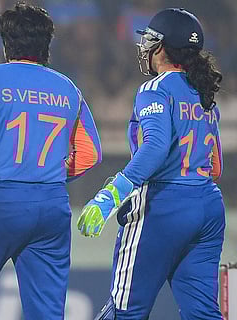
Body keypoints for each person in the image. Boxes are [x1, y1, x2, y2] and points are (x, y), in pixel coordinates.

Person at [0, 3, 102, 319]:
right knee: (46, 314)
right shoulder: (68, 88)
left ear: (4, 42)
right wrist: (47, 175)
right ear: (47, 44)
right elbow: (90, 154)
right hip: (52, 205)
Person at [77, 8, 224, 319]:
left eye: (149, 40)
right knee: (203, 314)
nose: (143, 46)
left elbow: (155, 148)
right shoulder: (204, 93)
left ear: (161, 46)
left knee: (125, 311)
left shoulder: (155, 89)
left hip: (162, 206)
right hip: (209, 205)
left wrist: (111, 195)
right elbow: (216, 167)